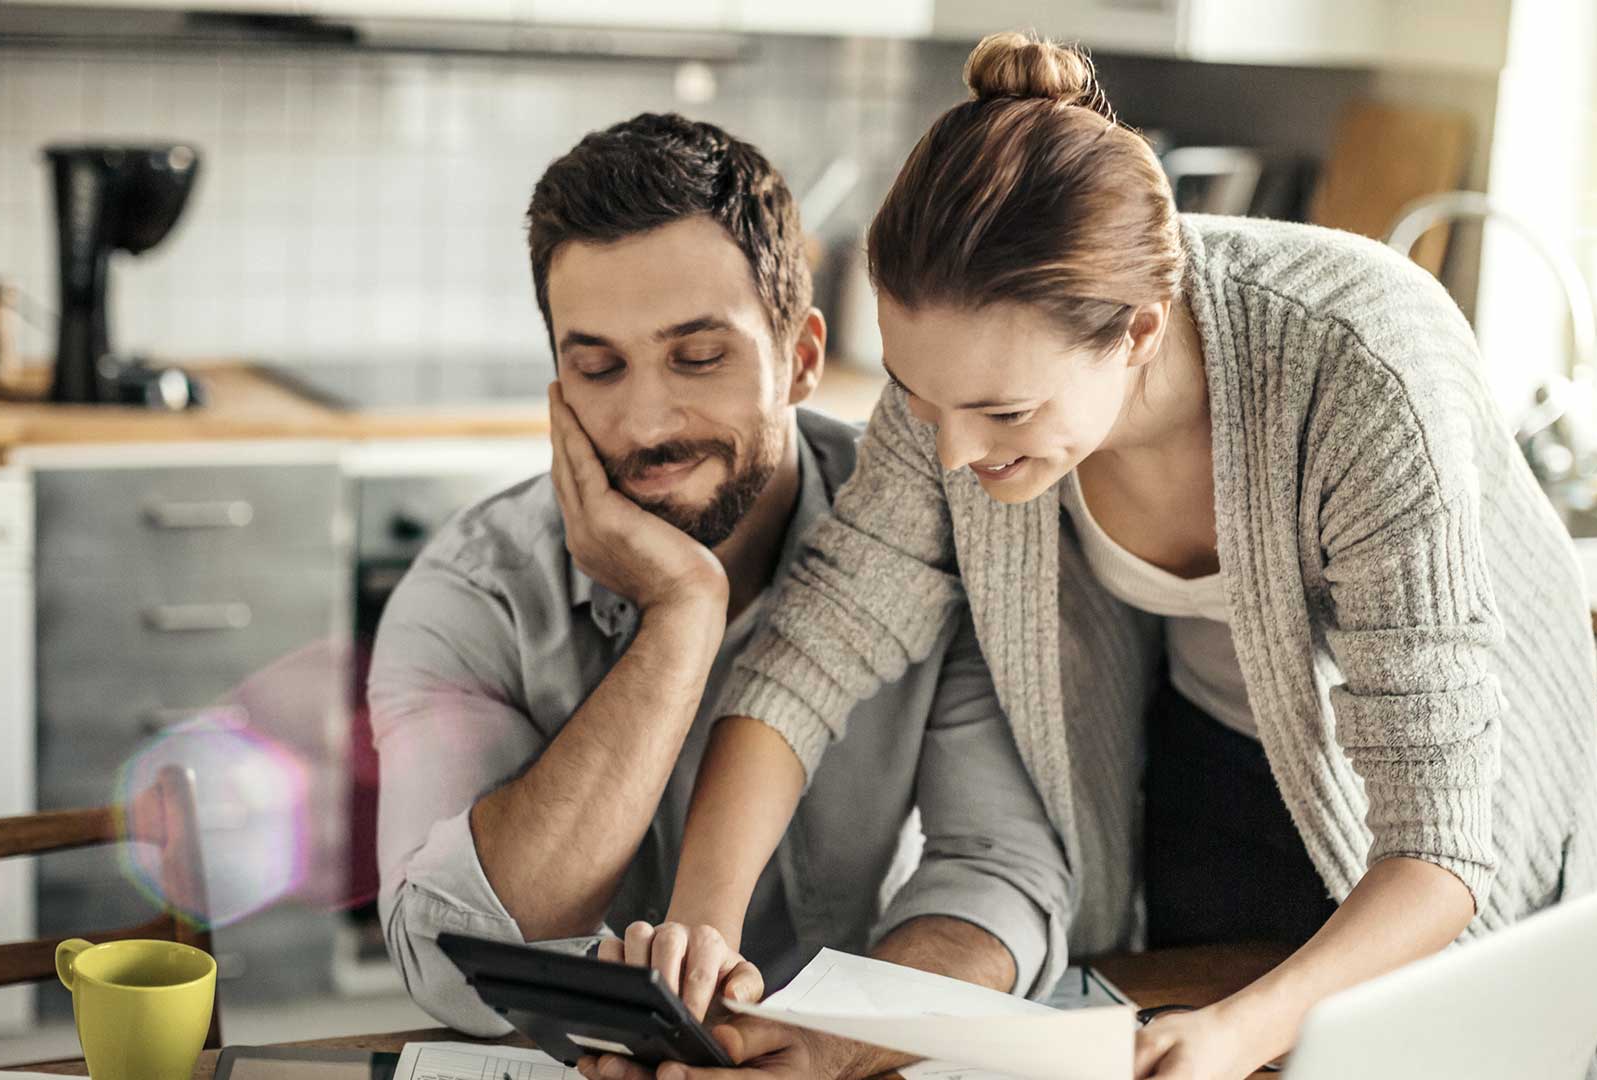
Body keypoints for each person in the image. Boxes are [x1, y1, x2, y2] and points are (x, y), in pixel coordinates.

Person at [648, 32, 1597, 1080]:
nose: (955, 452)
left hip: (1440, 810)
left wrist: (1242, 1028)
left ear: (1142, 334)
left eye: (1003, 411)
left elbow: (1438, 845)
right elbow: (814, 651)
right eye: (922, 401)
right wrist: (700, 924)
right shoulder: (964, 380)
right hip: (1210, 758)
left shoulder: (1360, 368)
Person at [368, 112, 1073, 1079]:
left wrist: (837, 1042)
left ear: (803, 359)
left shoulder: (936, 545)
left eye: (699, 357)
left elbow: (1001, 877)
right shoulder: (473, 593)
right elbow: (448, 953)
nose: (647, 420)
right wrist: (682, 616)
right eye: (598, 366)